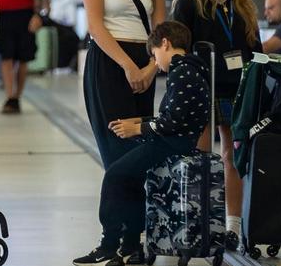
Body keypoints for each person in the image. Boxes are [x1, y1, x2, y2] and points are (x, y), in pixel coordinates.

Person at [74, 0, 165, 265]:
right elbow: (96, 27)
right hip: (108, 67)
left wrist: (151, 67)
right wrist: (130, 66)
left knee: (139, 152)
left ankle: (133, 239)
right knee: (117, 155)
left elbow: (161, 31)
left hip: (144, 65)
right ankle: (111, 238)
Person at [74, 21, 207, 266]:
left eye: (155, 54)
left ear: (165, 43)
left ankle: (109, 243)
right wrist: (140, 120)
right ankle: (130, 241)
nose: (156, 62)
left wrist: (137, 128)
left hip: (172, 143)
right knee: (125, 173)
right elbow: (174, 117)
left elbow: (173, 123)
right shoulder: (190, 69)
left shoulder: (182, 72)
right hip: (177, 139)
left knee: (115, 174)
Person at [171, 0, 261, 240]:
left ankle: (233, 224)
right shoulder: (189, 3)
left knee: (232, 157)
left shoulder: (242, 5)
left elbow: (254, 49)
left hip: (237, 89)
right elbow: (177, 50)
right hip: (201, 88)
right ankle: (199, 221)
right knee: (201, 156)